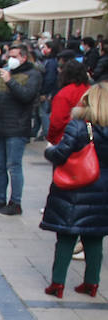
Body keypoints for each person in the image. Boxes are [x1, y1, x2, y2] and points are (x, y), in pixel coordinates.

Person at [41, 83, 108, 298]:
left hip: (75, 187)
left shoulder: (79, 126)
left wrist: (49, 151)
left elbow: (61, 153)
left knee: (67, 236)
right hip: (102, 188)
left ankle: (57, 283)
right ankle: (91, 283)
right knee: (95, 237)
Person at [0, 44, 42, 217]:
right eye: (9, 56)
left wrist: (10, 80)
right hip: (0, 127)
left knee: (13, 166)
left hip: (18, 128)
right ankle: (0, 199)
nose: (10, 59)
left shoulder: (33, 74)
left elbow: (26, 96)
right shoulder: (5, 74)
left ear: (23, 57)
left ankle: (15, 203)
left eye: (14, 56)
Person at [48, 58, 92, 145]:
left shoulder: (64, 94)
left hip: (67, 138)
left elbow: (57, 121)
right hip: (89, 135)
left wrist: (52, 139)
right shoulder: (91, 90)